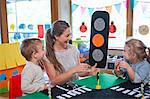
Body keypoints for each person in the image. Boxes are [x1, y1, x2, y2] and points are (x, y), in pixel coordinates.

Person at [43, 20, 100, 87]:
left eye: (70, 35)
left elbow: (78, 72)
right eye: (67, 36)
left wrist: (90, 72)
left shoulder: (73, 49)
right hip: (57, 91)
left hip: (75, 88)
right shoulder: (47, 55)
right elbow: (54, 81)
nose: (70, 38)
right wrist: (74, 70)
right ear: (56, 37)